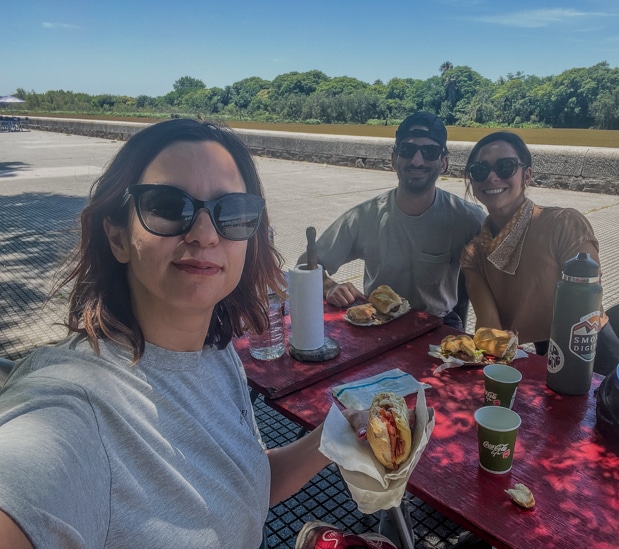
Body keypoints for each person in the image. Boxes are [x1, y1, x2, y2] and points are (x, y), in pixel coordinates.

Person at [0, 118, 366, 548]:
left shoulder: (216, 351)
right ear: (117, 237)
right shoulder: (72, 408)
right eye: (169, 207)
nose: (205, 234)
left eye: (232, 211)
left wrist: (330, 435)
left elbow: (241, 486)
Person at [459, 131, 619, 374]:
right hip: (530, 358)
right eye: (480, 170)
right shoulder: (474, 254)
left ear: (527, 175)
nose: (492, 177)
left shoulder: (564, 224)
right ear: (473, 182)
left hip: (590, 350)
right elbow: (491, 333)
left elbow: (585, 306)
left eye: (505, 167)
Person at [301, 111, 486, 329]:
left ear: (443, 162)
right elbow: (306, 265)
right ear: (393, 158)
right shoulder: (364, 216)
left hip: (438, 324)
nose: (417, 161)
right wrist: (329, 285)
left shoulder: (468, 219)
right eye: (407, 150)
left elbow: (502, 281)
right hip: (377, 320)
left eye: (429, 152)